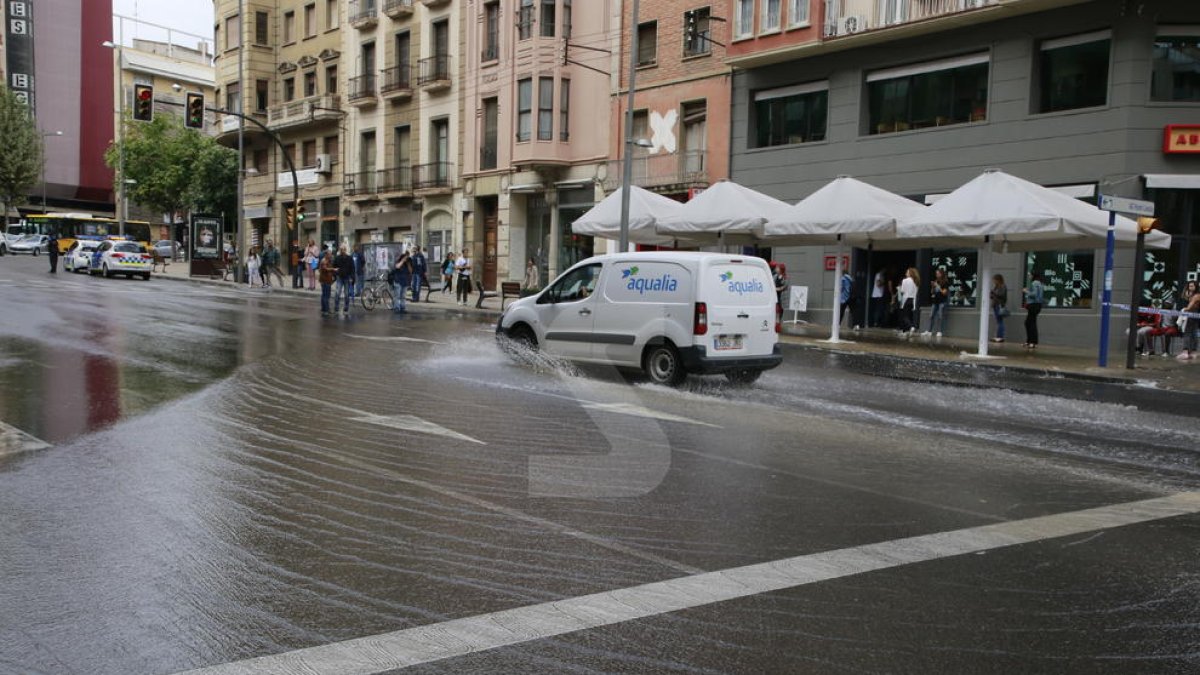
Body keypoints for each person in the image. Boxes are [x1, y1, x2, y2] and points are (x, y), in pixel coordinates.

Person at [1177, 282, 1200, 361]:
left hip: (1192, 315)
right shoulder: (1192, 295)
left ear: (1196, 287)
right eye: (1189, 286)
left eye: (1191, 286)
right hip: (1194, 315)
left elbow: (1189, 307)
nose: (1190, 287)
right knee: (1193, 333)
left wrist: (1183, 310)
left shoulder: (1196, 296)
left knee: (1188, 333)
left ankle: (1185, 351)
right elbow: (1183, 296)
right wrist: (1186, 292)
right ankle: (1193, 352)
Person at [1023, 272, 1045, 349]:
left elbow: (1034, 294)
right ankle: (1030, 341)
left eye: (1030, 275)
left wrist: (1026, 291)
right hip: (1038, 305)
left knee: (1030, 323)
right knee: (1030, 322)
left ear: (1033, 275)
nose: (1029, 276)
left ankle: (1031, 341)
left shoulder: (1034, 283)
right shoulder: (1041, 283)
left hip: (1033, 305)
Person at [923, 269, 949, 337]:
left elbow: (944, 292)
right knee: (931, 316)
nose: (936, 275)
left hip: (942, 301)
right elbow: (932, 292)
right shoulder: (936, 281)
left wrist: (938, 286)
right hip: (935, 301)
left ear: (941, 274)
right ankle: (929, 331)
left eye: (938, 273)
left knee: (940, 316)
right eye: (936, 273)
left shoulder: (945, 282)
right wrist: (932, 287)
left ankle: (940, 331)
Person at [897, 267, 919, 334]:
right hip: (912, 300)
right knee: (908, 315)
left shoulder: (905, 280)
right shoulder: (916, 282)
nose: (906, 273)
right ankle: (904, 331)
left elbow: (903, 291)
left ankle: (911, 327)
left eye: (907, 272)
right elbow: (915, 293)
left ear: (910, 273)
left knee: (904, 316)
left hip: (906, 299)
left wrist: (899, 289)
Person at [333, 245, 354, 313]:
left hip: (347, 277)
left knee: (346, 293)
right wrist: (335, 274)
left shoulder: (349, 258)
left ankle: (346, 307)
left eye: (343, 250)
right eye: (341, 250)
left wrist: (352, 277)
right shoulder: (337, 258)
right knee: (338, 292)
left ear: (345, 250)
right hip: (340, 277)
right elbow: (334, 266)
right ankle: (336, 307)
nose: (342, 251)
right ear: (340, 250)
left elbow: (352, 268)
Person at [392, 250, 415, 314]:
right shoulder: (398, 261)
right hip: (398, 281)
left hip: (405, 282)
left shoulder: (408, 263)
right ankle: (396, 308)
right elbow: (397, 266)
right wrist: (402, 260)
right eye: (405, 258)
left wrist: (408, 263)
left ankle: (402, 308)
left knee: (403, 296)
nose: (406, 259)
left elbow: (411, 271)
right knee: (397, 296)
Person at [990, 274, 1008, 343]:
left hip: (999, 305)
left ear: (998, 280)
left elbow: (1001, 295)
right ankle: (998, 336)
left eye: (995, 280)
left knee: (1000, 321)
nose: (994, 281)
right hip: (996, 304)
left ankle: (1000, 336)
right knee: (998, 321)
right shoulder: (996, 287)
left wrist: (994, 293)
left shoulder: (1002, 286)